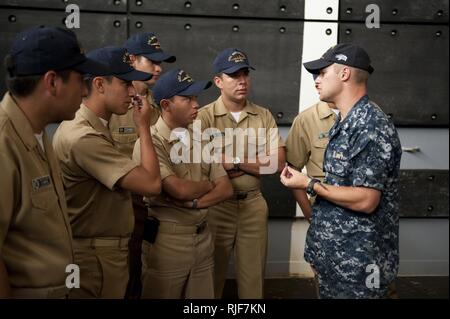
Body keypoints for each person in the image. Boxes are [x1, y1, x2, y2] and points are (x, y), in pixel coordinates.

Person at [280, 43, 402, 298]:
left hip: (359, 266)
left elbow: (367, 200)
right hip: (333, 257)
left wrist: (309, 183)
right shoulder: (345, 122)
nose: (317, 80)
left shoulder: (370, 126)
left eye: (323, 73)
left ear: (344, 74)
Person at [0, 26, 107, 298]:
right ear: (52, 82)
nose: (85, 92)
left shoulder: (39, 131)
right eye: (80, 80)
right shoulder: (4, 143)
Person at [52, 46, 161, 298]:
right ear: (99, 84)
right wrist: (143, 128)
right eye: (125, 84)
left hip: (102, 251)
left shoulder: (97, 125)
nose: (133, 92)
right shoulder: (84, 137)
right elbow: (152, 184)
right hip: (95, 257)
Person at [134, 69, 233, 298]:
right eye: (187, 99)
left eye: (196, 98)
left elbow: (226, 188)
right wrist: (209, 185)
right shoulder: (150, 142)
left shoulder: (201, 136)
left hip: (203, 238)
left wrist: (195, 204)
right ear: (166, 105)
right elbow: (177, 189)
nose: (196, 105)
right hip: (168, 243)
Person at [198, 48, 286, 299]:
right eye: (233, 75)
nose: (242, 80)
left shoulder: (263, 115)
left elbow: (277, 164)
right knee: (209, 281)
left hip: (253, 207)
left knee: (253, 282)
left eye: (245, 73)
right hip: (217, 207)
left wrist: (234, 162)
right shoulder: (203, 117)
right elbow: (201, 165)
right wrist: (255, 162)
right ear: (218, 81)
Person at [108, 32, 175, 298]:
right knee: (125, 278)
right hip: (123, 207)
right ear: (132, 60)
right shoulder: (113, 107)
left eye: (162, 62)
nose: (159, 68)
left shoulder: (159, 108)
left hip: (160, 208)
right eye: (152, 61)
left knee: (151, 279)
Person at [285, 101, 337, 219]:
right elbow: (292, 169)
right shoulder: (306, 119)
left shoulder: (369, 116)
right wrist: (309, 214)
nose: (317, 82)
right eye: (315, 80)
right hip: (324, 214)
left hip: (364, 217)